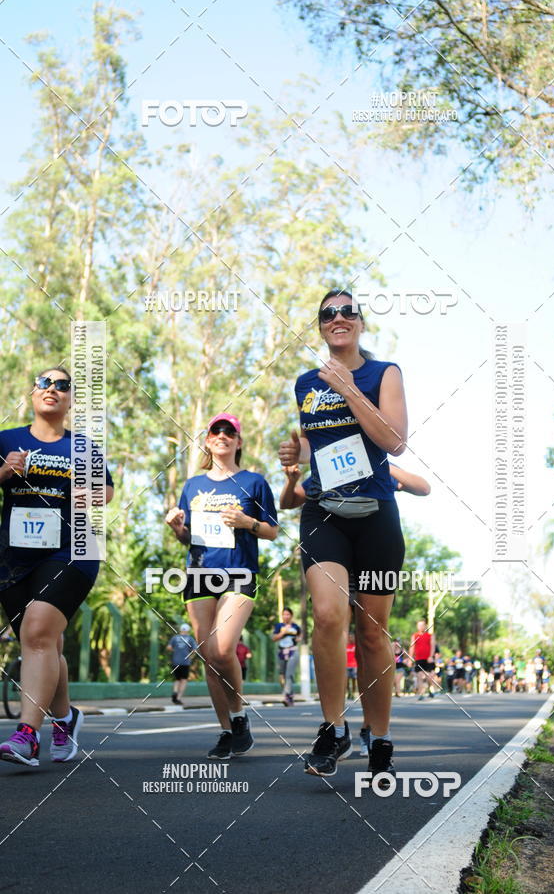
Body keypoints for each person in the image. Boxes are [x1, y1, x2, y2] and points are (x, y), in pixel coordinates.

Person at [279, 288, 408, 779]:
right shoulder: (306, 383)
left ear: (360, 323)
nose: (338, 318)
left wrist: (349, 387)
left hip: (375, 513)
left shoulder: (384, 373)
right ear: (320, 327)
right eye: (328, 314)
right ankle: (333, 730)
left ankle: (380, 736)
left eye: (347, 312)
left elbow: (395, 441)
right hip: (323, 512)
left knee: (372, 633)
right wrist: (296, 459)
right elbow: (315, 445)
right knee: (328, 615)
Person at [0, 367, 114, 767]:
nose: (52, 389)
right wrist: (5, 472)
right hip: (13, 558)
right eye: (45, 382)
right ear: (32, 392)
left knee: (36, 632)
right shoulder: (6, 440)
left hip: (73, 549)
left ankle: (27, 736)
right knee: (43, 644)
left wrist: (79, 485)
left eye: (62, 385)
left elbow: (107, 493)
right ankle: (65, 718)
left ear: (69, 401)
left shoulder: (81, 446)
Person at [166, 412, 278, 760]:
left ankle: (240, 716)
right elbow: (188, 538)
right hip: (199, 573)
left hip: (239, 573)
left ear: (239, 442)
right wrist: (175, 526)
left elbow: (272, 531)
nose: (223, 435)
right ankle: (228, 731)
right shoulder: (193, 486)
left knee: (221, 649)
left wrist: (247, 522)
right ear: (208, 441)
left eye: (230, 431)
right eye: (217, 431)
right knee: (208, 656)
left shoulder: (254, 481)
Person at [272, 607, 302, 706]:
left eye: (288, 614)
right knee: (282, 676)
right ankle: (290, 695)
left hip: (292, 651)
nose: (286, 616)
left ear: (291, 615)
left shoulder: (296, 627)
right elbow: (274, 638)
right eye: (284, 614)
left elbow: (300, 636)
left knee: (289, 674)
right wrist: (283, 632)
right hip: (281, 651)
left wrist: (297, 639)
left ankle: (286, 695)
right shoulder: (279, 626)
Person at [167, 623, 197, 704]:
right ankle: (179, 697)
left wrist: (176, 651)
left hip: (175, 661)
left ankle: (175, 691)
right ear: (188, 630)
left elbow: (169, 647)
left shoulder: (175, 637)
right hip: (185, 662)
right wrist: (190, 656)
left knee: (177, 679)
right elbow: (194, 650)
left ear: (180, 629)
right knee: (184, 680)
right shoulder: (190, 639)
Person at [409, 620, 436, 700]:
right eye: (419, 625)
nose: (421, 627)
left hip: (428, 659)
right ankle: (421, 694)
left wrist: (431, 656)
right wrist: (410, 658)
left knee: (429, 677)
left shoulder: (430, 635)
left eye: (422, 625)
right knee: (420, 677)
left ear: (425, 626)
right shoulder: (415, 635)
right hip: (419, 659)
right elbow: (412, 647)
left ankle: (430, 689)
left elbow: (433, 646)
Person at [346, 631, 358, 699]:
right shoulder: (345, 646)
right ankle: (349, 693)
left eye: (352, 637)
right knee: (347, 680)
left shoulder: (356, 646)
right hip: (346, 665)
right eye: (349, 637)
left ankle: (353, 693)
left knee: (354, 680)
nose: (350, 639)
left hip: (354, 665)